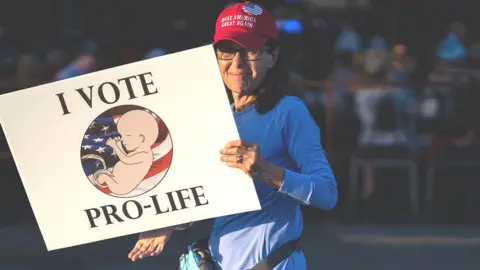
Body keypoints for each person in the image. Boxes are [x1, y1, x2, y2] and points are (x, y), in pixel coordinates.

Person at [127, 2, 338, 269]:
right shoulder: (215, 117)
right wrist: (170, 220)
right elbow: (208, 192)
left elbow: (327, 193)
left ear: (272, 56)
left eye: (250, 51)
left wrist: (266, 171)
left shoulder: (289, 111)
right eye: (227, 51)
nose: (237, 63)